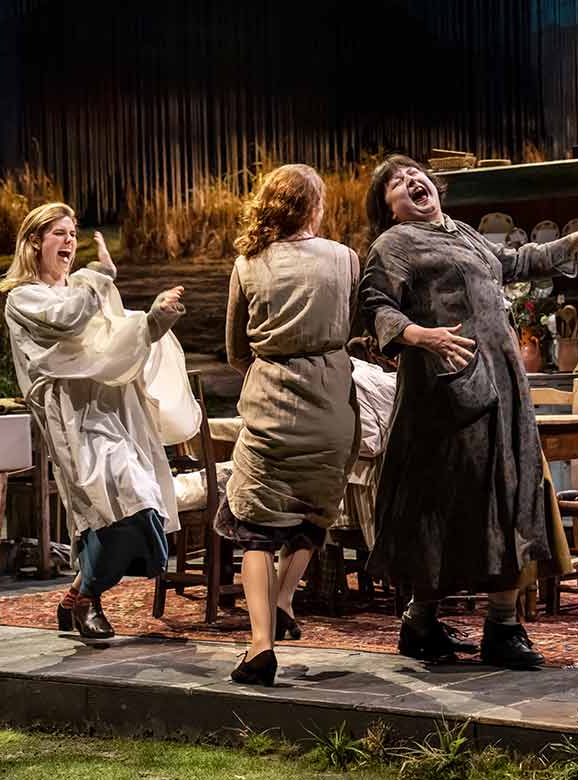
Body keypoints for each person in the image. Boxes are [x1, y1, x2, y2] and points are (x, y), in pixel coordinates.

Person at [358, 154, 578, 668]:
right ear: (389, 208)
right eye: (396, 182)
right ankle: (420, 621)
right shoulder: (393, 245)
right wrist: (422, 335)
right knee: (444, 505)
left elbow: (516, 261)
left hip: (504, 387)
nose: (412, 181)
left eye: (415, 173)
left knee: (510, 495)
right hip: (444, 397)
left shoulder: (461, 232)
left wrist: (575, 242)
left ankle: (501, 626)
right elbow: (375, 305)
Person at [0, 203, 199, 639]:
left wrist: (155, 322)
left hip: (110, 409)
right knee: (105, 505)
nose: (69, 241)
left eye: (73, 233)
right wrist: (99, 278)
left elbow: (119, 338)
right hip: (70, 415)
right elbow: (68, 319)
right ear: (35, 242)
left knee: (139, 500)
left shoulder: (86, 292)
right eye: (59, 234)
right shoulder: (25, 298)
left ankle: (81, 594)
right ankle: (89, 596)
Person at [217, 164, 360, 686]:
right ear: (315, 207)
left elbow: (235, 349)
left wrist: (270, 367)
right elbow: (354, 324)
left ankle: (260, 645)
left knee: (254, 527)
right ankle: (283, 599)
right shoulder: (345, 259)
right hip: (330, 403)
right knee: (312, 515)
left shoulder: (248, 264)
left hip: (272, 403)